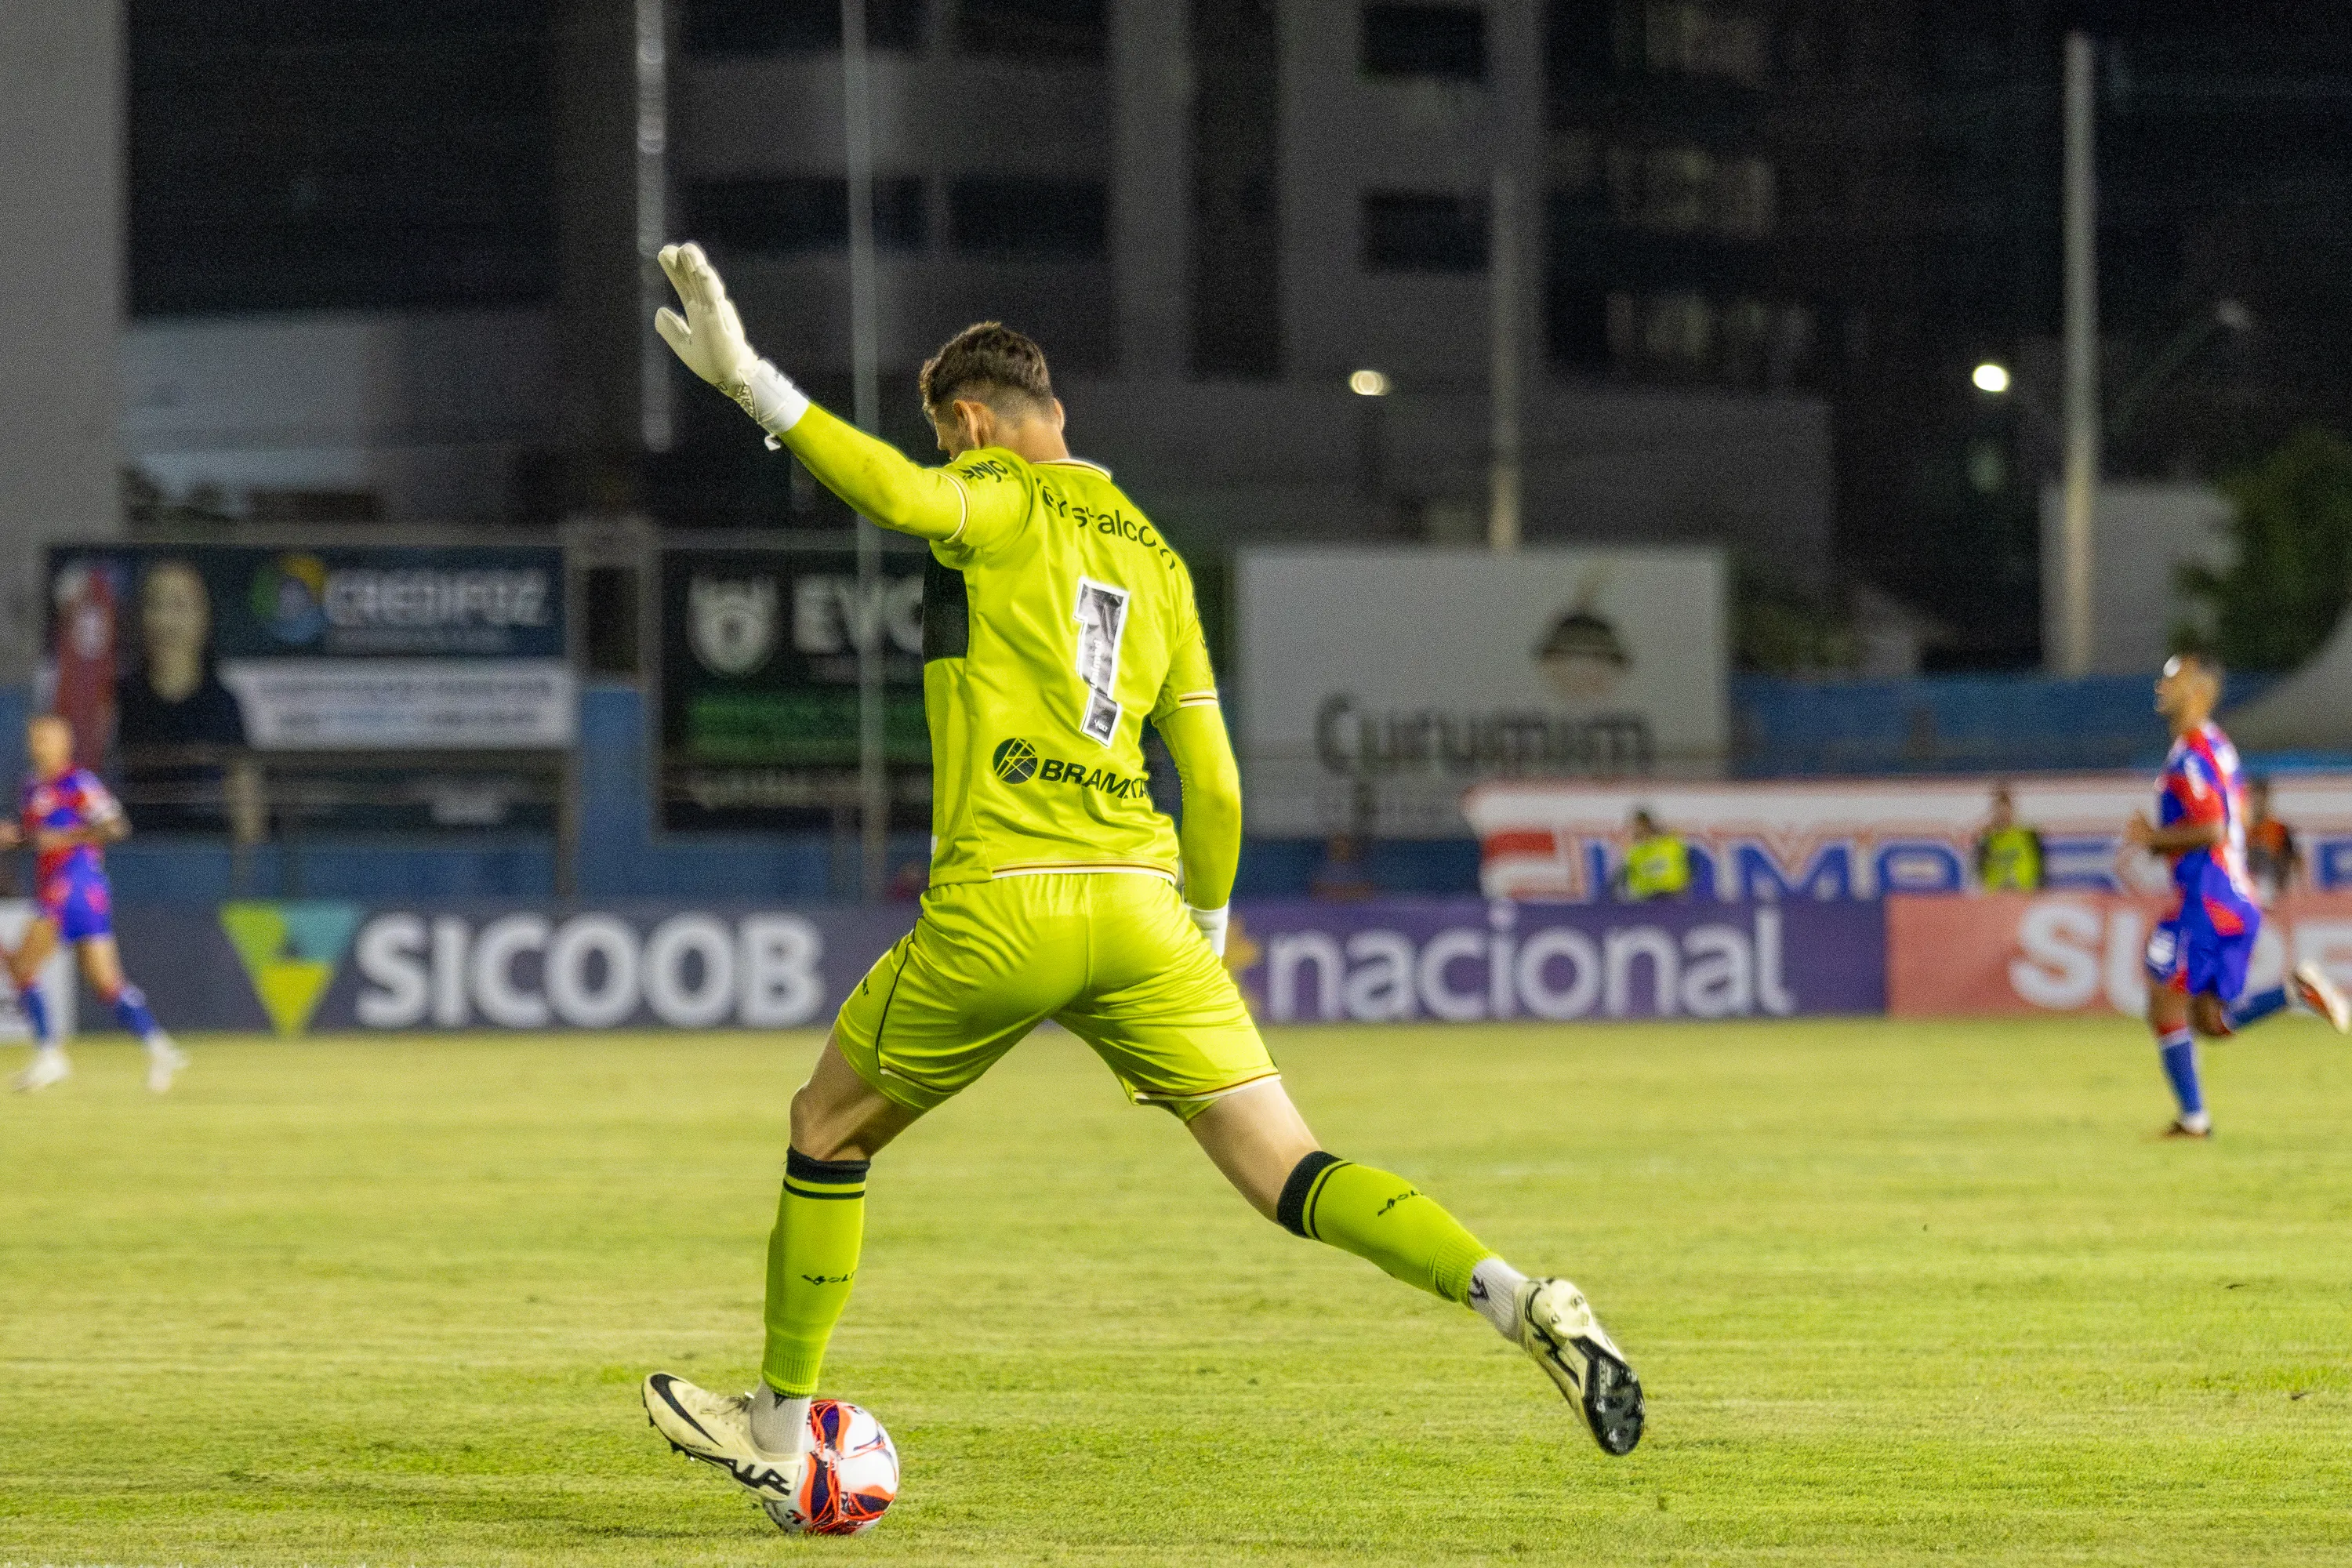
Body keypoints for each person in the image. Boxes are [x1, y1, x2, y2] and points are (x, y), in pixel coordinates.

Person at [636, 244, 1645, 1515]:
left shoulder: (1001, 494)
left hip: (1006, 898)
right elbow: (1215, 785)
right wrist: (1208, 928)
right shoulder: (1159, 562)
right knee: (1293, 1168)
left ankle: (780, 1422)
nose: (957, 466)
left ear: (974, 423)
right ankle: (1518, 1297)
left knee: (825, 1129)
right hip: (1144, 907)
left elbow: (900, 497)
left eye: (955, 443)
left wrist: (753, 384)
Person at [2123, 655, 2347, 1140]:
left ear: (2200, 692)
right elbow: (2239, 820)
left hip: (2207, 898)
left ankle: (2194, 1120)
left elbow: (2214, 827)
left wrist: (2155, 838)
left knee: (2164, 997)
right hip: (2233, 896)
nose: (2162, 684)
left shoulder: (2191, 755)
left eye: (2174, 677)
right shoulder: (2220, 747)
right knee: (2210, 1020)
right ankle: (2295, 993)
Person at [3, 714, 186, 1094]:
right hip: (59, 885)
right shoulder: (32, 787)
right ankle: (159, 1046)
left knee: (22, 965)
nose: (39, 745)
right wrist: (16, 838)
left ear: (65, 744)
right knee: (106, 982)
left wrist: (67, 836)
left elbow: (116, 826)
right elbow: (39, 841)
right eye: (35, 738)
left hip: (76, 882)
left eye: (48, 738)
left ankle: (50, 1055)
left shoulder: (78, 783)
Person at [2243, 775, 2302, 906]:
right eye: (2253, 797)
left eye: (2261, 797)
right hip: (2245, 885)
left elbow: (2295, 860)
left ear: (2267, 798)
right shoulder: (2238, 829)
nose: (2257, 802)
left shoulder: (2279, 828)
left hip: (2273, 884)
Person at [1974, 784, 2043, 891]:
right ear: (1994, 812)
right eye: (1999, 812)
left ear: (2012, 810)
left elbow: (2040, 864)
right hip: (1996, 896)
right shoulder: (1987, 837)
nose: (2004, 816)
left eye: (2006, 811)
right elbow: (1979, 867)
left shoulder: (2027, 833)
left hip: (2023, 894)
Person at [1617, 808, 1691, 901]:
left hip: (1673, 897)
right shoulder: (1633, 852)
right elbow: (1625, 880)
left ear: (1648, 824)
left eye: (1640, 825)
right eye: (1634, 827)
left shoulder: (1670, 843)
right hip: (1645, 901)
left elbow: (1689, 867)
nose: (1638, 830)